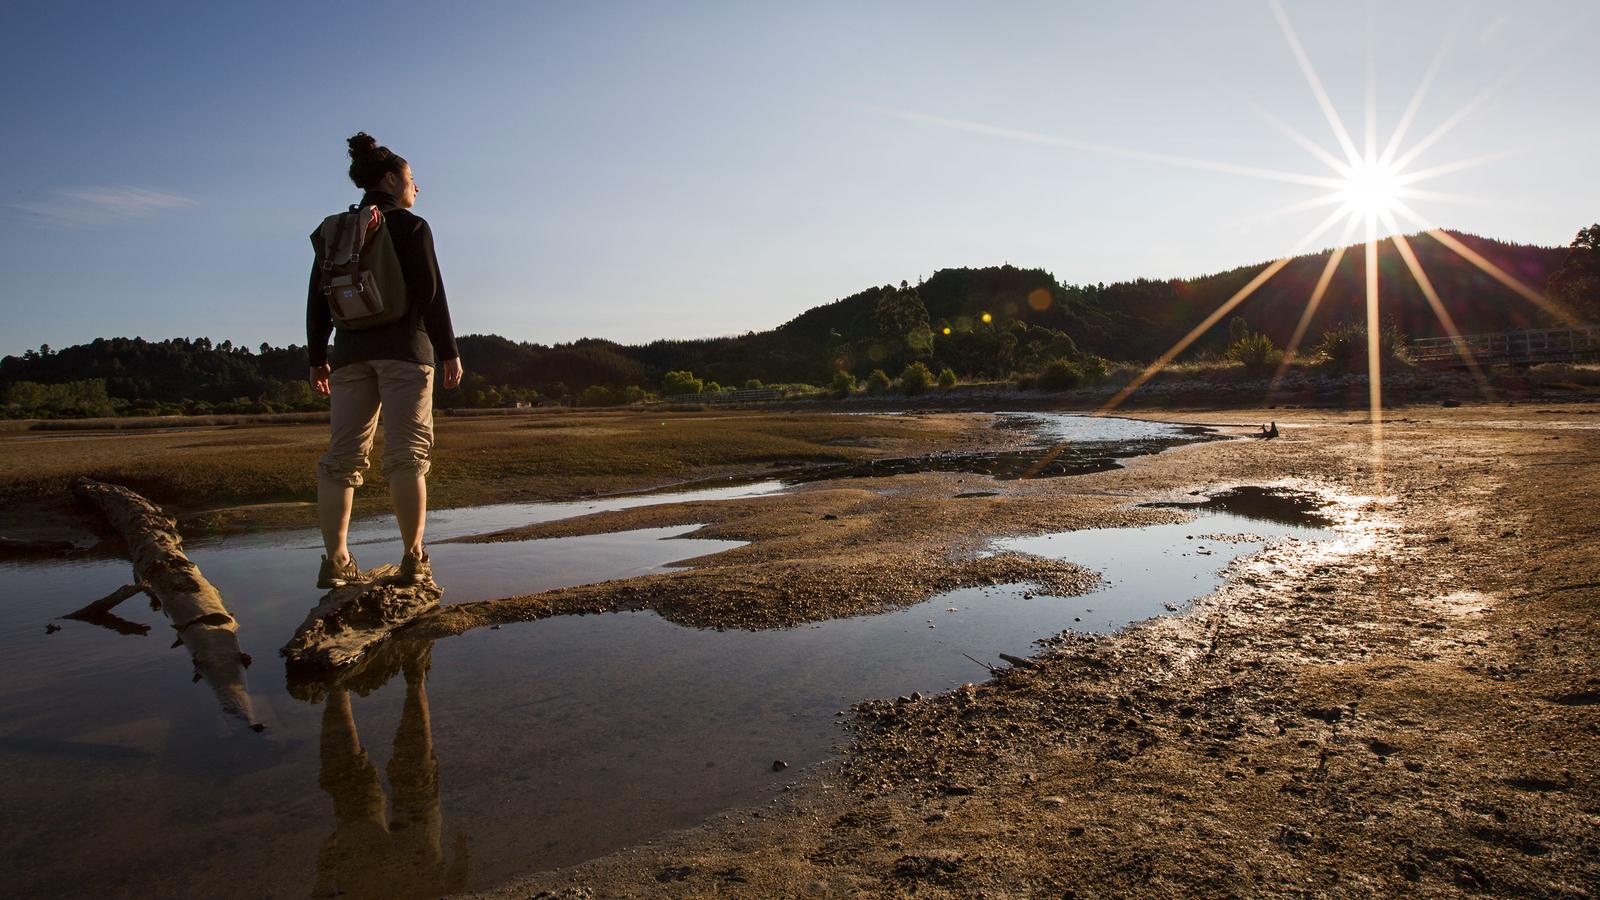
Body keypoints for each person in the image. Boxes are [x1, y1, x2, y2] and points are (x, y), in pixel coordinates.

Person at [307, 132, 463, 588]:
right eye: (413, 180)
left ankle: (335, 562)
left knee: (341, 458)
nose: (417, 188)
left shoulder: (337, 230)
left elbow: (317, 299)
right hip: (406, 354)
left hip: (350, 355)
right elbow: (432, 295)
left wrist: (319, 358)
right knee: (407, 456)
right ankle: (414, 558)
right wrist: (448, 351)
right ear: (393, 179)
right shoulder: (411, 227)